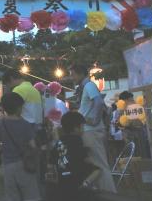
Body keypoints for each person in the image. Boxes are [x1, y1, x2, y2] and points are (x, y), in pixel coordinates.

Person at [69, 63, 116, 193]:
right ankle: (104, 192)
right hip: (89, 130)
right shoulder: (85, 87)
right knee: (95, 164)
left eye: (72, 74)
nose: (71, 77)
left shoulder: (89, 85)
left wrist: (94, 120)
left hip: (92, 131)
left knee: (100, 164)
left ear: (80, 73)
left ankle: (110, 193)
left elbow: (99, 101)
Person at [0, 92, 40, 201]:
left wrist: (5, 148)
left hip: (7, 165)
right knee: (30, 194)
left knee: (12, 195)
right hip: (24, 164)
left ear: (4, 107)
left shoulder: (0, 124)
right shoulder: (25, 124)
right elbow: (32, 145)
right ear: (19, 107)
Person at [49, 111, 101, 201]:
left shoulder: (59, 142)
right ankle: (86, 185)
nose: (83, 129)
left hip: (61, 183)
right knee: (98, 169)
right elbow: (85, 158)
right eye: (82, 126)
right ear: (76, 128)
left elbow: (51, 163)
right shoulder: (77, 141)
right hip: (77, 182)